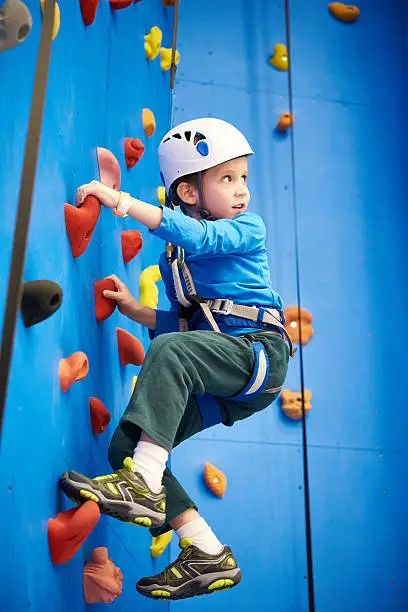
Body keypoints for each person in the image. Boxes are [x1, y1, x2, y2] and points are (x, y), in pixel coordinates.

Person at [59, 117, 293, 601]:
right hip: (226, 381)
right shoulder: (174, 258)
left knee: (169, 356)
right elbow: (192, 326)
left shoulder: (246, 227)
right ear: (188, 192)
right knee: (126, 445)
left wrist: (122, 203)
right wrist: (140, 311)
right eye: (227, 179)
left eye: (243, 178)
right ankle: (205, 550)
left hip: (258, 356)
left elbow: (204, 240)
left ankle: (141, 485)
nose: (241, 190)